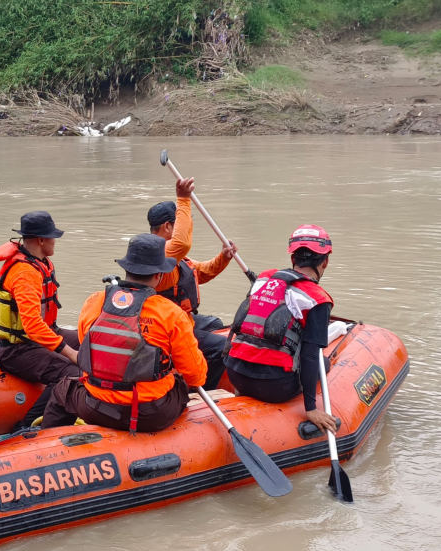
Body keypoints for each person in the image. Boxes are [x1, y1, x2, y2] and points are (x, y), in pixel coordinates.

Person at [42, 234, 207, 432]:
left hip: (95, 406)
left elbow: (89, 347)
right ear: (159, 275)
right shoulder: (171, 313)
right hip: (150, 414)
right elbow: (196, 376)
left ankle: (47, 444)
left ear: (126, 269)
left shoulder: (94, 302)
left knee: (63, 390)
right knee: (179, 381)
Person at [224, 225, 339, 433]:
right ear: (325, 262)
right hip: (275, 386)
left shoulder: (263, 279)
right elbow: (311, 356)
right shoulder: (319, 299)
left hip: (235, 373)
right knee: (324, 363)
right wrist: (311, 409)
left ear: (293, 258)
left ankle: (241, 393)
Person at [146, 176, 238, 388]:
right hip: (169, 327)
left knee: (214, 323)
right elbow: (182, 242)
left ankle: (200, 363)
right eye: (181, 223)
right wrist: (183, 200)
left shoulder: (174, 258)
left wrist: (223, 257)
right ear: (169, 226)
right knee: (226, 345)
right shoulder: (160, 254)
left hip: (184, 318)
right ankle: (201, 387)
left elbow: (200, 272)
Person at [0, 211, 80, 427]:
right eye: (53, 237)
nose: (55, 242)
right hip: (18, 350)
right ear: (41, 240)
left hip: (42, 337)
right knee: (72, 372)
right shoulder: (25, 273)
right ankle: (32, 425)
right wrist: (71, 354)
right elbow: (32, 326)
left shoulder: (40, 263)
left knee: (90, 342)